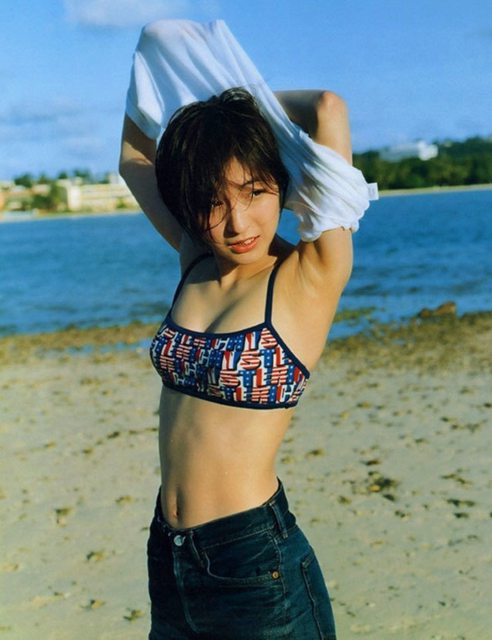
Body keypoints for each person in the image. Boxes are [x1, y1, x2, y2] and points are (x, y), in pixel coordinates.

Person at [120, 19, 376, 640]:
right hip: (169, 557)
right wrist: (161, 78)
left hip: (253, 566)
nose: (238, 222)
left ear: (281, 186)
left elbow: (327, 108)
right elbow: (133, 160)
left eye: (255, 191)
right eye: (213, 200)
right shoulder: (197, 259)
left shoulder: (309, 276)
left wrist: (237, 109)